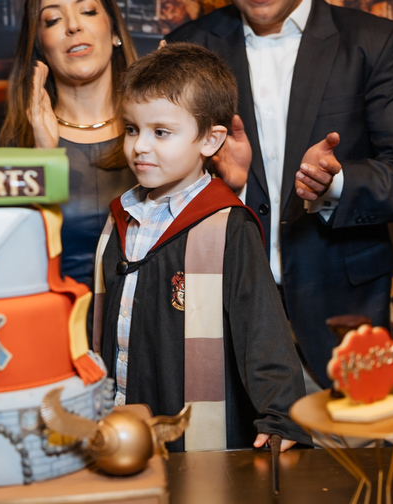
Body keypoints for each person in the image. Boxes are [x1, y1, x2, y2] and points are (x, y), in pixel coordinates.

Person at [165, 0, 393, 386]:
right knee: (224, 468)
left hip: (343, 318)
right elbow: (160, 190)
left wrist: (334, 184)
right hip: (219, 316)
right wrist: (232, 187)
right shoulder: (187, 51)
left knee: (347, 468)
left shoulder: (376, 45)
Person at [91, 43, 309, 452]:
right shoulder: (120, 217)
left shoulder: (227, 224)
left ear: (210, 140)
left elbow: (261, 329)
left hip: (193, 429)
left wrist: (282, 417)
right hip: (120, 417)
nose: (139, 146)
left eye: (161, 132)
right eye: (132, 129)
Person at [0, 0, 138, 290]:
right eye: (53, 20)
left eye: (87, 11)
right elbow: (8, 265)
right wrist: (43, 159)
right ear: (39, 45)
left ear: (115, 31)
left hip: (147, 331)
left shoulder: (155, 135)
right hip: (58, 330)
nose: (73, 26)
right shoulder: (22, 148)